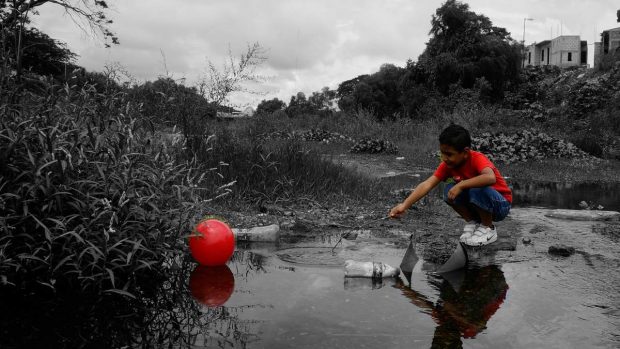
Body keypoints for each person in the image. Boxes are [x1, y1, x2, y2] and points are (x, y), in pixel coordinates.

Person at [389, 124, 512, 246]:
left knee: (473, 188)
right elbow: (427, 184)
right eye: (442, 153)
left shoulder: (477, 159)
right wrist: (404, 205)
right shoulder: (448, 165)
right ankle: (473, 223)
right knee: (449, 191)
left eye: (449, 154)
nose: (444, 158)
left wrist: (461, 185)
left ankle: (488, 229)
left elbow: (490, 178)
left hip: (500, 205)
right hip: (480, 203)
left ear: (465, 152)